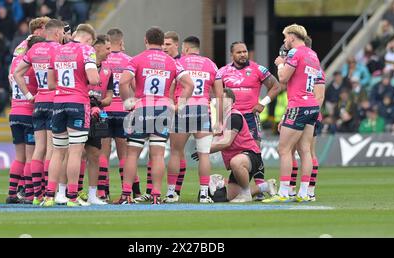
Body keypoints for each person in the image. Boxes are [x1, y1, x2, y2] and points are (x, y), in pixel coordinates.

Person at [117, 27, 194, 204]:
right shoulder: (172, 62)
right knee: (158, 155)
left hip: (142, 107)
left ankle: (127, 194)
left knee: (132, 154)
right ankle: (156, 195)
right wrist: (179, 105)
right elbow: (189, 84)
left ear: (146, 40)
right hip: (162, 109)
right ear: (162, 42)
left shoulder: (137, 59)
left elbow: (123, 81)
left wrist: (128, 102)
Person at [215, 41, 281, 200]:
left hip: (250, 117)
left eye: (244, 51)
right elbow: (218, 97)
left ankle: (260, 189)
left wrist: (263, 103)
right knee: (235, 157)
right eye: (239, 52)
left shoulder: (258, 69)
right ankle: (254, 188)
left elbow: (276, 86)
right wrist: (218, 121)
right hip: (231, 118)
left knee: (254, 153)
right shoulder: (223, 71)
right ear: (232, 55)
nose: (243, 54)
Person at [264, 24, 322, 203]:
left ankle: (283, 191)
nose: (284, 40)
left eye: (285, 37)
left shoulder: (294, 53)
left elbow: (283, 78)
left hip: (298, 104)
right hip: (312, 105)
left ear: (292, 37)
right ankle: (304, 192)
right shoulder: (313, 55)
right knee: (305, 150)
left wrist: (281, 64)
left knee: (284, 149)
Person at [43, 23, 99, 207]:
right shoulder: (87, 50)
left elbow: (51, 84)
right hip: (78, 102)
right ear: (89, 39)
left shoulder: (57, 50)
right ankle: (73, 197)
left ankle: (50, 196)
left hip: (58, 102)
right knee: (75, 151)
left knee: (58, 152)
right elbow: (94, 79)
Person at [164, 36, 223, 203]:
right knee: (204, 155)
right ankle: (204, 194)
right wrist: (219, 120)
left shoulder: (178, 63)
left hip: (182, 110)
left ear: (187, 49)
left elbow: (171, 87)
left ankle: (170, 193)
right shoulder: (211, 64)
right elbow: (219, 94)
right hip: (203, 111)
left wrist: (171, 105)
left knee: (176, 152)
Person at [13, 19, 64, 205]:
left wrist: (28, 95)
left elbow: (17, 74)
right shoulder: (59, 50)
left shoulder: (33, 49)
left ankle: (36, 195)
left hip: (38, 103)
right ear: (57, 33)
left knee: (38, 150)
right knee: (52, 149)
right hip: (53, 102)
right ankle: (51, 192)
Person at [195, 88, 277, 203]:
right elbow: (216, 139)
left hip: (250, 156)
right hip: (239, 160)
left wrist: (205, 149)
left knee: (236, 162)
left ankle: (240, 190)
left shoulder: (234, 116)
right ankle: (265, 186)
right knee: (225, 198)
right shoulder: (221, 120)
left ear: (233, 103)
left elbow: (226, 142)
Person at [5, 36, 45, 204]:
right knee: (31, 156)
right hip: (29, 112)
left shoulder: (16, 64)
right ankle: (29, 193)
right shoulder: (34, 66)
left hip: (14, 112)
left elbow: (10, 79)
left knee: (19, 156)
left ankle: (12, 193)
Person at [102, 28, 138, 201]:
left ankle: (103, 193)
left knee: (102, 154)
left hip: (103, 112)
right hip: (123, 111)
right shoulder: (129, 61)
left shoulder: (102, 59)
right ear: (121, 41)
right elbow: (135, 89)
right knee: (125, 154)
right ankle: (128, 193)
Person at [84, 34, 113, 205]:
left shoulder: (108, 70)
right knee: (75, 153)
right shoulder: (84, 65)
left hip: (97, 115)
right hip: (82, 111)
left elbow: (110, 95)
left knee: (94, 154)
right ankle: (69, 191)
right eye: (107, 48)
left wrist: (101, 103)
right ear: (97, 48)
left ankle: (93, 194)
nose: (110, 52)